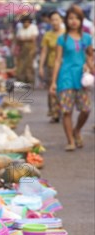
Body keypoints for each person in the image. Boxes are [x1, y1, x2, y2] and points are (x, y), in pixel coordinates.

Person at [50, 4, 94, 151]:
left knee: (86, 109)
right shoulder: (62, 38)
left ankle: (77, 130)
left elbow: (89, 57)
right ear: (66, 20)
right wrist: (53, 82)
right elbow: (57, 60)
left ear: (81, 20)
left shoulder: (87, 38)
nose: (73, 21)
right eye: (70, 18)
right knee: (66, 111)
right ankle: (70, 141)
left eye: (77, 18)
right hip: (65, 78)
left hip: (81, 79)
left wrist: (91, 67)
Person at [39, 11, 64, 123]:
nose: (55, 22)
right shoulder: (47, 35)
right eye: (52, 20)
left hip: (65, 66)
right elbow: (44, 52)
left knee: (63, 89)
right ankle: (54, 113)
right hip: (51, 66)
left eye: (57, 19)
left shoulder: (66, 34)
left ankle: (63, 111)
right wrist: (40, 67)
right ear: (49, 21)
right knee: (52, 90)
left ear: (61, 20)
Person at [15, 16, 39, 85]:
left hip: (31, 49)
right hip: (22, 50)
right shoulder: (20, 29)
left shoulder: (33, 27)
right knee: (21, 65)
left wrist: (24, 39)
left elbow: (33, 38)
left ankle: (30, 80)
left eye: (27, 22)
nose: (25, 23)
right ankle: (22, 80)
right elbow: (18, 38)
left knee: (29, 65)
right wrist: (26, 39)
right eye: (24, 22)